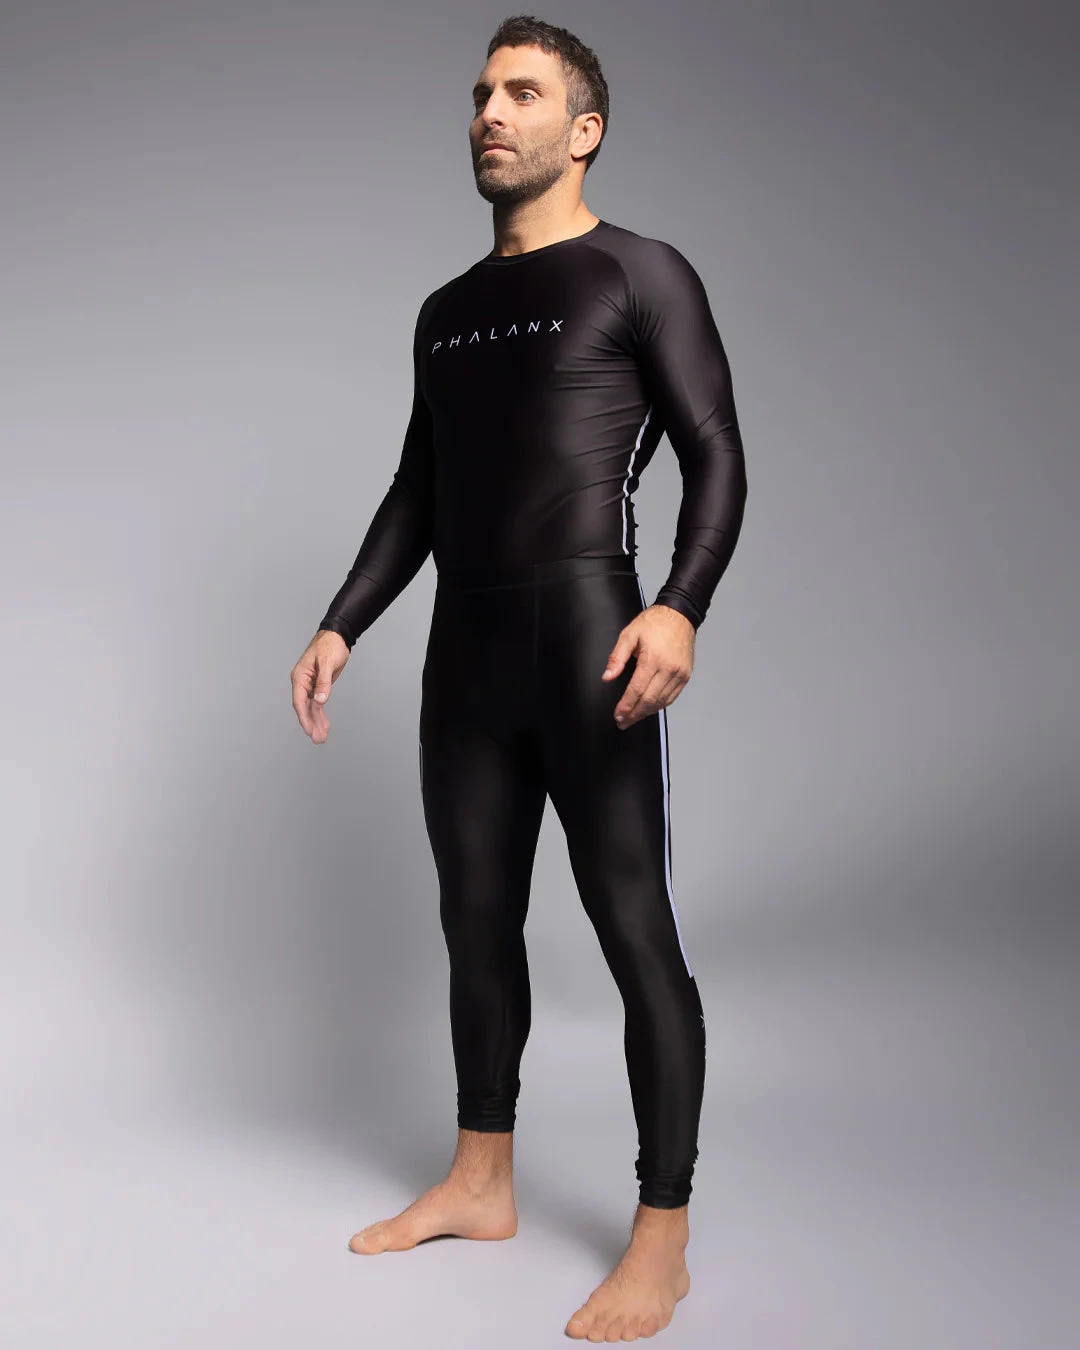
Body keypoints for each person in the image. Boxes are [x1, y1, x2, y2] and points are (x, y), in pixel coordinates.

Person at [290, 14, 747, 1342]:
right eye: (483, 92)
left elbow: (717, 453)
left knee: (632, 926)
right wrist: (342, 622)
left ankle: (661, 1236)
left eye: (524, 93)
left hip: (594, 641)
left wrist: (679, 606)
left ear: (583, 129)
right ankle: (481, 1180)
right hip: (467, 658)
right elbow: (418, 489)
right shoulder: (444, 314)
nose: (490, 112)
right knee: (475, 922)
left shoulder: (640, 272)